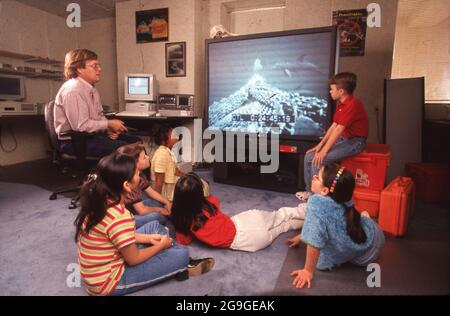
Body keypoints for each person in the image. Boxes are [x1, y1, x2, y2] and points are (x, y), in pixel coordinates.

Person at [74, 153, 214, 296]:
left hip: (102, 267)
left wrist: (148, 239)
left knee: (154, 226)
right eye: (136, 173)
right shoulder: (120, 217)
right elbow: (133, 259)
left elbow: (117, 236)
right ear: (127, 185)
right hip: (109, 282)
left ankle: (172, 259)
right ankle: (182, 263)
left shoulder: (100, 200)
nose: (139, 175)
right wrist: (160, 245)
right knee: (182, 254)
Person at [286, 163, 385, 289]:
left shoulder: (317, 205)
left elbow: (314, 241)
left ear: (324, 191)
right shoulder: (342, 194)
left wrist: (308, 271)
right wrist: (302, 235)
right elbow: (319, 226)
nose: (314, 177)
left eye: (317, 177)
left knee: (321, 261)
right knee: (353, 220)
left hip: (364, 257)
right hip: (375, 233)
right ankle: (365, 217)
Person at [171, 173, 305, 252]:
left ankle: (306, 224)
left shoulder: (183, 221)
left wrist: (176, 215)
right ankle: (309, 211)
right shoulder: (210, 203)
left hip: (248, 240)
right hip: (243, 222)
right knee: (280, 215)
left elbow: (184, 241)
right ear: (200, 193)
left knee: (283, 227)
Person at [54, 48, 140, 158]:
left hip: (90, 137)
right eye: (94, 66)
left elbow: (99, 116)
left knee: (136, 141)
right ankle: (131, 175)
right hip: (74, 142)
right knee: (126, 149)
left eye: (98, 65)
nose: (99, 69)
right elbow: (81, 126)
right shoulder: (73, 90)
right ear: (79, 69)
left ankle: (138, 175)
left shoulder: (91, 89)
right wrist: (108, 124)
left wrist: (108, 129)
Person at [297, 72, 368, 201]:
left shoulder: (353, 104)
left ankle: (316, 198)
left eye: (332, 89)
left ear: (341, 91)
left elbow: (339, 130)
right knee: (309, 156)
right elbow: (334, 126)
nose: (330, 92)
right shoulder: (341, 103)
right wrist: (319, 146)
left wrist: (323, 152)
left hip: (356, 142)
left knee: (319, 160)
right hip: (345, 139)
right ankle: (310, 191)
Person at [116, 143, 172, 228]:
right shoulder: (130, 180)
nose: (148, 157)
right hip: (122, 218)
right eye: (144, 157)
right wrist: (161, 210)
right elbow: (142, 210)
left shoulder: (140, 174)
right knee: (159, 216)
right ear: (135, 163)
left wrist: (167, 202)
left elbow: (151, 192)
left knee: (156, 202)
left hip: (132, 208)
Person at [150, 123, 209, 202]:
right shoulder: (162, 154)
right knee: (202, 186)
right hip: (166, 192)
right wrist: (158, 201)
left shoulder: (168, 151)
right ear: (164, 139)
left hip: (172, 184)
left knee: (201, 183)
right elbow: (159, 182)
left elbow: (176, 171)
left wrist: (190, 177)